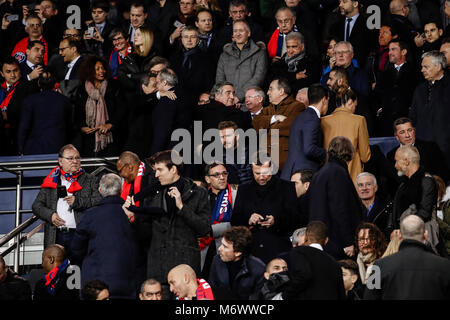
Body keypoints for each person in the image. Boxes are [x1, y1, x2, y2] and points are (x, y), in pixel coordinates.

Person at [124, 150, 210, 285]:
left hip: (185, 269)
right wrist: (132, 219)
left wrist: (182, 207)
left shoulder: (198, 193)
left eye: (160, 170)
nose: (156, 174)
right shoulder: (151, 194)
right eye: (155, 170)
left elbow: (204, 228)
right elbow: (144, 234)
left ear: (173, 169)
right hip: (158, 270)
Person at [71, 173, 140, 300]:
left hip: (96, 288)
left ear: (100, 191)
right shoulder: (133, 214)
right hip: (128, 284)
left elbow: (76, 250)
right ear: (121, 190)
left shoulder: (89, 216)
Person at [32, 144, 101, 251]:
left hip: (79, 235)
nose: (75, 161)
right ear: (60, 161)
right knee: (57, 267)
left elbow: (98, 200)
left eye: (77, 158)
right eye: (70, 158)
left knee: (80, 267)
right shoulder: (51, 180)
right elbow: (36, 206)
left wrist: (78, 202)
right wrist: (51, 215)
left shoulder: (90, 179)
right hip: (56, 235)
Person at [231, 154, 298, 263]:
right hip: (251, 249)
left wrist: (275, 221)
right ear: (252, 169)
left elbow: (296, 219)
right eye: (257, 173)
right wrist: (249, 219)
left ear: (271, 169)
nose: (261, 177)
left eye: (265, 173)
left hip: (278, 248)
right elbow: (234, 220)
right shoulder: (244, 190)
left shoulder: (287, 188)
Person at [364, 215, 450, 300]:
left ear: (400, 235)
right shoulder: (445, 266)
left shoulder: (378, 266)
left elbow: (368, 297)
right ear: (426, 234)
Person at [308, 136, 362, 260]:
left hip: (321, 239)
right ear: (349, 153)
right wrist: (348, 241)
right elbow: (340, 210)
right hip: (336, 243)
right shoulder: (338, 172)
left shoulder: (319, 173)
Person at [282, 221, 346, 300]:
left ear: (306, 238)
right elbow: (341, 294)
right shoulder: (335, 264)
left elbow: (304, 275)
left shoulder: (299, 252)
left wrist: (284, 296)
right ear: (326, 240)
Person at [392, 145, 439, 251]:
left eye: (396, 161)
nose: (395, 165)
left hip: (421, 237)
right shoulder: (403, 185)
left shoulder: (426, 181)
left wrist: (405, 228)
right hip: (403, 237)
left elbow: (425, 212)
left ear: (406, 161)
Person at [409, 50, 450, 171]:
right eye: (422, 67)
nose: (422, 70)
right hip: (423, 149)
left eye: (426, 67)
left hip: (446, 149)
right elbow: (413, 116)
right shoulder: (420, 89)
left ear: (438, 67)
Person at [321, 87, 371, 184]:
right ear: (350, 102)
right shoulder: (359, 120)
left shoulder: (323, 121)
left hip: (329, 174)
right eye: (355, 106)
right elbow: (365, 156)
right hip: (352, 174)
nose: (354, 109)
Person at [252, 78, 304, 170]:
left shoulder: (297, 106)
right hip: (265, 163)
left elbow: (289, 127)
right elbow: (255, 123)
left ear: (281, 91)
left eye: (271, 89)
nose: (267, 92)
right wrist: (274, 118)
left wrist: (266, 127)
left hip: (284, 162)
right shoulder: (267, 109)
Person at [18, 71, 72, 155]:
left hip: (33, 150)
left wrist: (20, 149)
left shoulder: (29, 101)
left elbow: (24, 127)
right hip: (58, 149)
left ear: (39, 83)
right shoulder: (64, 101)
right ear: (55, 84)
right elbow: (69, 127)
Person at [281, 83, 328, 179]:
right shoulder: (312, 118)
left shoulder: (301, 116)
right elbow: (309, 149)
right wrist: (326, 154)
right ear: (324, 100)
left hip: (291, 171)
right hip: (302, 176)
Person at [373, 39, 418, 136]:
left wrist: (412, 110)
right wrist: (379, 109)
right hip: (386, 122)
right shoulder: (383, 74)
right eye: (389, 50)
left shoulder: (415, 72)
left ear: (403, 52)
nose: (390, 53)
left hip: (408, 121)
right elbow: (375, 94)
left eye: (393, 49)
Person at [208, 226, 266, 300]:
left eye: (225, 246)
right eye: (221, 244)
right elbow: (212, 289)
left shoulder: (259, 269)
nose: (219, 249)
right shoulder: (217, 260)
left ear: (238, 252)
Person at [215, 19, 267, 101]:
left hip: (249, 101)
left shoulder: (259, 53)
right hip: (227, 102)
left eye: (241, 31)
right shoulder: (224, 54)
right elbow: (220, 79)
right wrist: (228, 98)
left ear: (248, 33)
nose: (238, 34)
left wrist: (239, 97)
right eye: (235, 31)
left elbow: (258, 78)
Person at [387, 118, 449, 182]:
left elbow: (443, 173)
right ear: (396, 136)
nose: (407, 135)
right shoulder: (391, 155)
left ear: (414, 131)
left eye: (409, 130)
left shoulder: (431, 148)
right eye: (402, 132)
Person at [169, 26, 215, 107]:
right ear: (181, 39)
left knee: (198, 120)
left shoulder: (207, 58)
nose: (189, 40)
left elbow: (209, 81)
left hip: (198, 101)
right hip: (176, 100)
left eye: (192, 37)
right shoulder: (174, 57)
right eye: (186, 37)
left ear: (198, 40)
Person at [0, 56, 37, 155]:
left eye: (15, 70)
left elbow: (30, 112)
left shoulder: (30, 87)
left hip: (19, 137)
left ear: (20, 70)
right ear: (2, 74)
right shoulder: (1, 88)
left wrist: (8, 115)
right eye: (8, 72)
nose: (12, 75)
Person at [329, 0, 372, 67]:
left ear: (355, 4)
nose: (340, 5)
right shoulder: (335, 25)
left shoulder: (368, 25)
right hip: (339, 70)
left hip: (360, 70)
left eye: (344, 2)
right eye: (340, 2)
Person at [356, 172, 391, 238]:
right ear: (356, 189)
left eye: (368, 184)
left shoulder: (386, 207)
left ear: (375, 188)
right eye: (360, 185)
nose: (364, 188)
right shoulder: (350, 208)